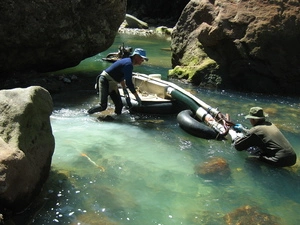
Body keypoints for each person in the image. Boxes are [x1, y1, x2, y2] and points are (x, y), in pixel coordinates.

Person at [88, 48, 148, 115]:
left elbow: (121, 76)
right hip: (105, 80)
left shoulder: (128, 62)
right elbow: (129, 83)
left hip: (113, 83)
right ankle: (87, 114)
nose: (142, 61)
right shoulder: (128, 64)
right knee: (102, 106)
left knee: (119, 105)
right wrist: (137, 97)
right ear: (136, 57)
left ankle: (117, 120)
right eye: (142, 59)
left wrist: (124, 88)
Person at [232, 107, 297, 167]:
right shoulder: (270, 124)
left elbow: (238, 147)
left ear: (253, 120)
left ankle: (257, 178)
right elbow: (259, 134)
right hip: (293, 158)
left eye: (250, 119)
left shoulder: (256, 130)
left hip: (278, 160)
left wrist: (236, 139)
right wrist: (243, 129)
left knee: (250, 160)